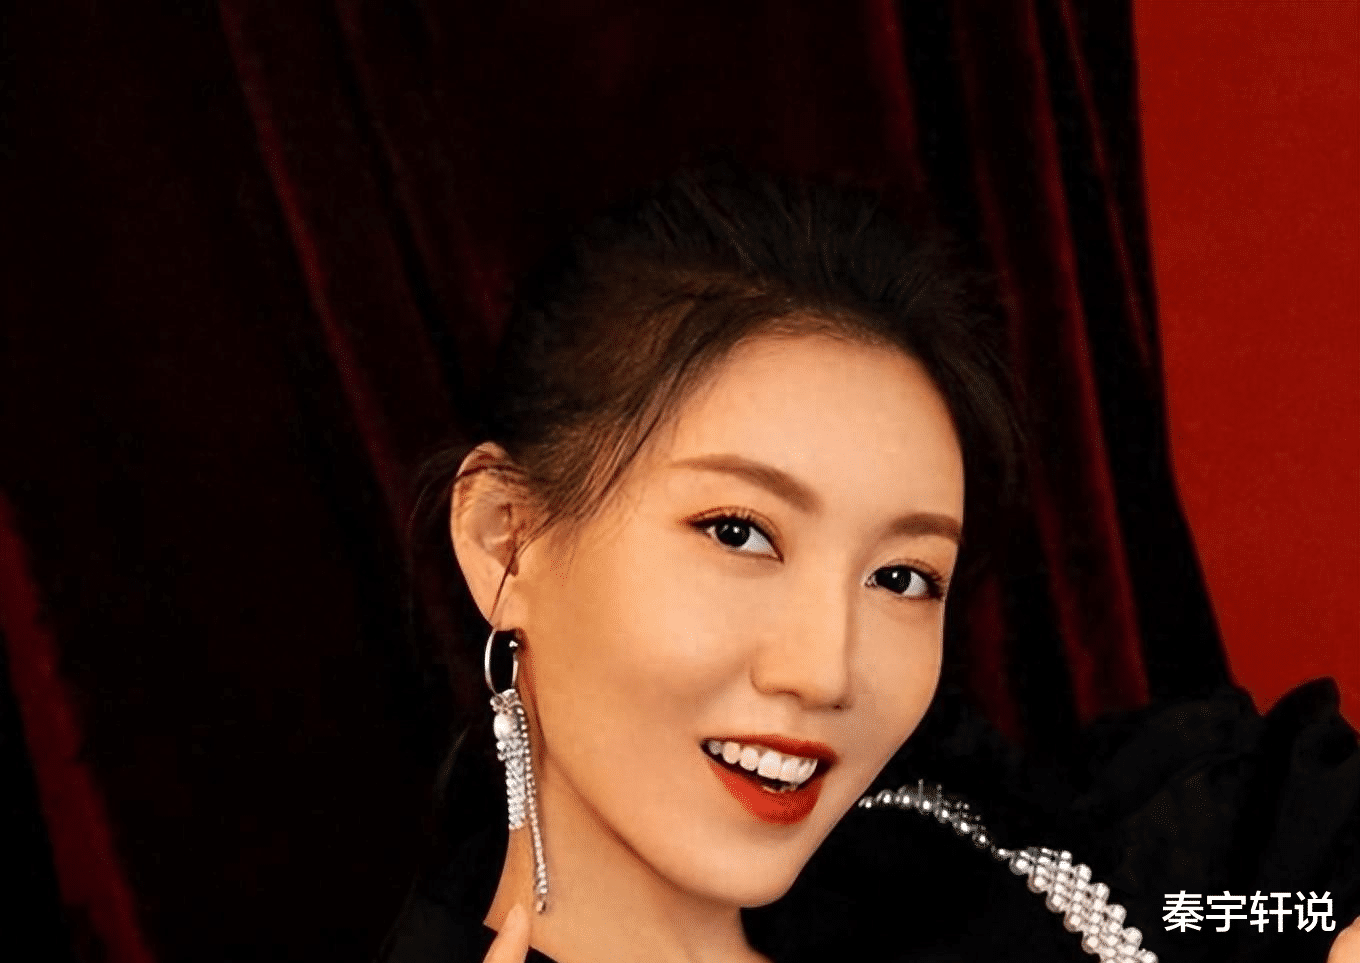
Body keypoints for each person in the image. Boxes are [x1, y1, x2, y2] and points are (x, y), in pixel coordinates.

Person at [379, 167, 1359, 963]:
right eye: (738, 532)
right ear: (507, 539)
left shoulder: (974, 851)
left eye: (901, 577)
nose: (825, 671)